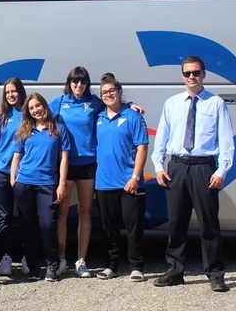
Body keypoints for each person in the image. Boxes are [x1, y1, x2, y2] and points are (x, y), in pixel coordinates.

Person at [49, 66, 144, 277]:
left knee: (85, 212)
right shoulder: (60, 102)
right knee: (62, 213)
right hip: (65, 163)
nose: (79, 85)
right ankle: (62, 259)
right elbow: (38, 114)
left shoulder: (95, 102)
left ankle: (81, 261)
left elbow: (114, 105)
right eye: (75, 81)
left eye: (83, 81)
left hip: (89, 164)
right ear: (69, 82)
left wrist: (130, 105)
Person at [152, 56, 235, 292]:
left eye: (196, 72)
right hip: (177, 168)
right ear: (182, 76)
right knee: (176, 223)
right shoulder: (172, 103)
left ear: (204, 74)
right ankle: (175, 271)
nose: (192, 77)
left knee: (209, 225)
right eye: (187, 73)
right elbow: (162, 138)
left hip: (203, 168)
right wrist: (159, 166)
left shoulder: (216, 103)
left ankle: (215, 274)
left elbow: (226, 141)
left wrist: (221, 170)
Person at [94, 75, 149, 282]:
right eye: (104, 93)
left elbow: (142, 146)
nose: (108, 95)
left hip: (129, 183)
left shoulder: (133, 116)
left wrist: (135, 176)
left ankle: (136, 266)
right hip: (104, 183)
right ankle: (111, 265)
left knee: (134, 227)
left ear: (119, 92)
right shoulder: (98, 118)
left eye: (111, 91)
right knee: (109, 228)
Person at [12, 93, 70, 282]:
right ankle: (33, 267)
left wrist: (62, 184)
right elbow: (16, 157)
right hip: (25, 182)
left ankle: (52, 265)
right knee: (28, 227)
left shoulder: (58, 129)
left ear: (45, 106)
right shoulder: (25, 131)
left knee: (47, 225)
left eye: (38, 106)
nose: (36, 110)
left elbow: (64, 159)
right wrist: (14, 180)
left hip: (47, 184)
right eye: (31, 108)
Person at [0, 77, 27, 275]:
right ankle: (6, 256)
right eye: (8, 92)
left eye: (14, 91)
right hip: (2, 172)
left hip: (24, 174)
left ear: (20, 91)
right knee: (3, 217)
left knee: (27, 216)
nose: (11, 95)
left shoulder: (30, 114)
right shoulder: (1, 117)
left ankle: (28, 256)